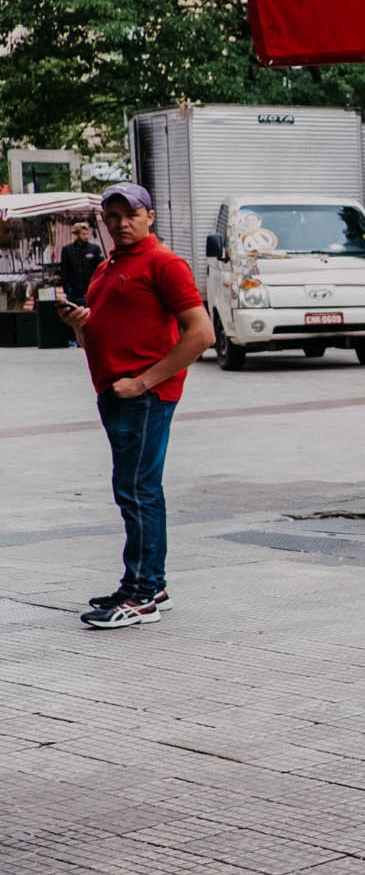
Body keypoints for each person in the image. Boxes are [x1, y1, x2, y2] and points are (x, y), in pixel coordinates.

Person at [59, 184, 212, 630]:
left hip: (143, 397)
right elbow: (109, 329)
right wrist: (81, 325)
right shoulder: (109, 265)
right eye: (113, 215)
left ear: (150, 217)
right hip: (116, 393)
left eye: (131, 214)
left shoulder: (164, 263)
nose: (121, 222)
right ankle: (146, 583)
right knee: (134, 490)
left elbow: (202, 335)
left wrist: (143, 381)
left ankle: (143, 594)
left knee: (138, 492)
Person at [58, 220, 103, 307]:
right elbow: (64, 270)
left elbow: (100, 268)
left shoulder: (94, 249)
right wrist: (67, 288)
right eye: (83, 234)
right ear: (77, 235)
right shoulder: (67, 250)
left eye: (87, 234)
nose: (86, 236)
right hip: (74, 291)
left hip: (91, 288)